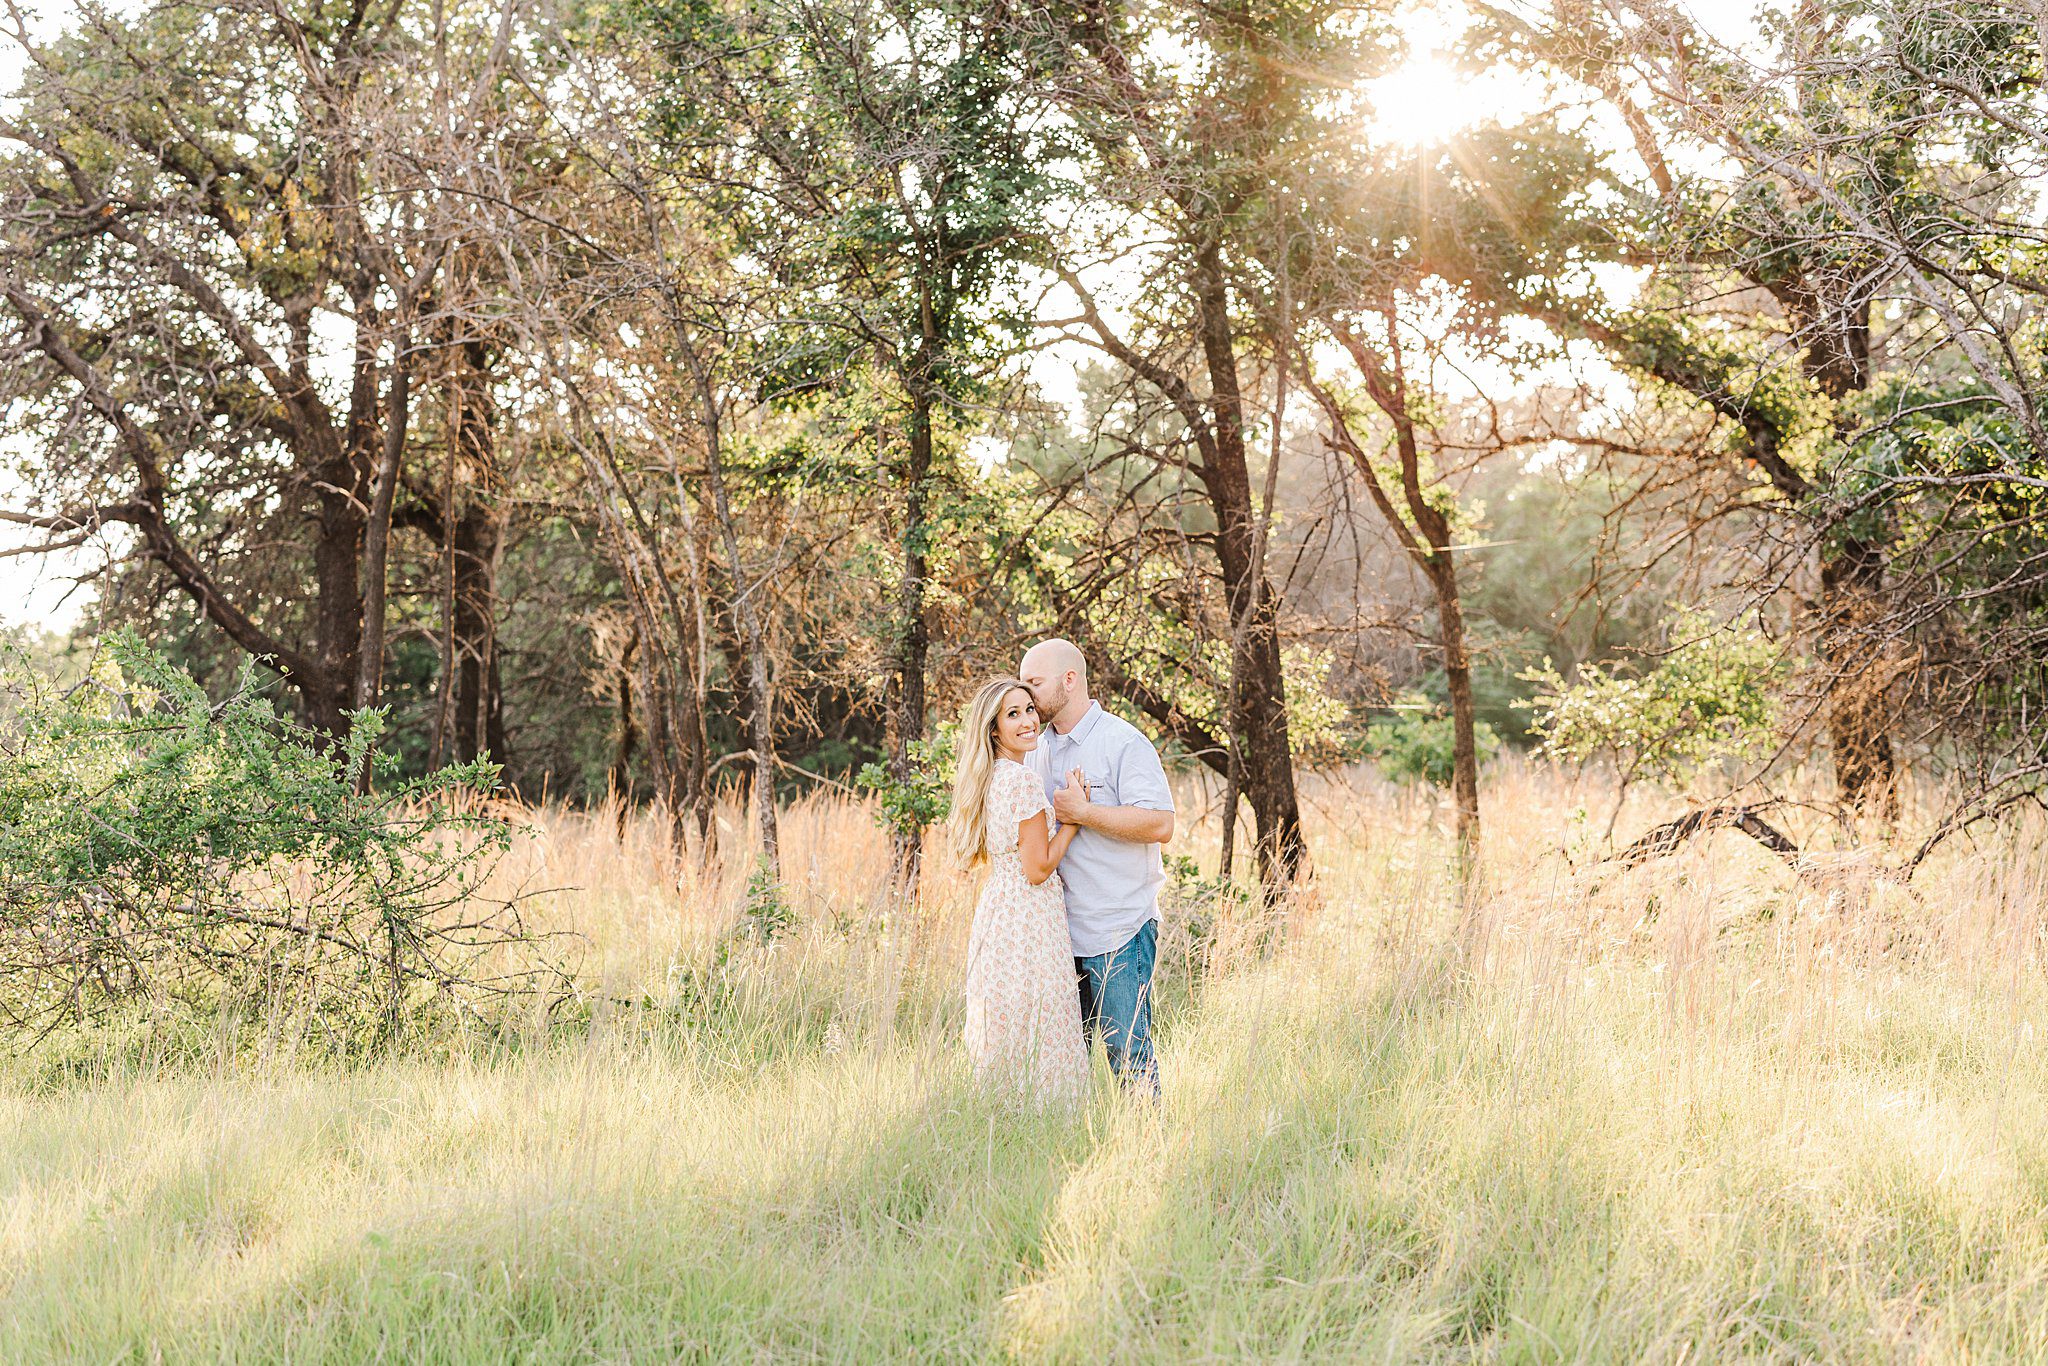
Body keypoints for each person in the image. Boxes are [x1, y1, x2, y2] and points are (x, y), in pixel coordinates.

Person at [1017, 639, 1176, 1095]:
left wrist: (1085, 813)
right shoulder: (1033, 749)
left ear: (1070, 680)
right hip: (1056, 933)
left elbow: (1161, 824)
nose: (1028, 695)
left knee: (1128, 1053)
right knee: (1064, 1061)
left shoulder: (1122, 742)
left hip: (1117, 928)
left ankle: (1147, 1149)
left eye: (1035, 683)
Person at [946, 676, 1091, 1106]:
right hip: (1028, 916)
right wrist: (1074, 820)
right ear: (995, 730)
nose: (1028, 720)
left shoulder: (993, 776)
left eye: (1029, 709)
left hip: (999, 913)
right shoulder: (1022, 782)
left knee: (1009, 1021)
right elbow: (1038, 868)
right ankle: (1049, 1115)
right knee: (1041, 1019)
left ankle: (1004, 1115)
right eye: (1013, 714)